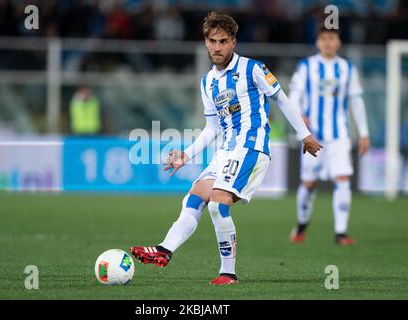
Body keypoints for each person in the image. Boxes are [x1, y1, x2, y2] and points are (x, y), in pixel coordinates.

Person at [130, 12, 322, 285]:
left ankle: (228, 273)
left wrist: (304, 135)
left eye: (223, 41)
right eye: (212, 41)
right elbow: (211, 128)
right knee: (195, 197)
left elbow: (282, 100)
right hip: (226, 151)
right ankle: (164, 250)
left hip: (251, 148)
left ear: (233, 42)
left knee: (218, 205)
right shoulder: (207, 82)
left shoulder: (253, 69)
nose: (217, 47)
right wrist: (186, 155)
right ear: (205, 42)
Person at [288, 25, 370, 245]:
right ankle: (302, 224)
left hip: (339, 135)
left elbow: (356, 100)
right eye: (323, 38)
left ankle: (340, 233)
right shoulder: (306, 66)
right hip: (312, 136)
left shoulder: (347, 68)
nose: (327, 42)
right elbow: (293, 96)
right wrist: (300, 117)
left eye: (332, 38)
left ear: (338, 42)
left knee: (343, 178)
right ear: (317, 42)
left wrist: (364, 133)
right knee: (309, 183)